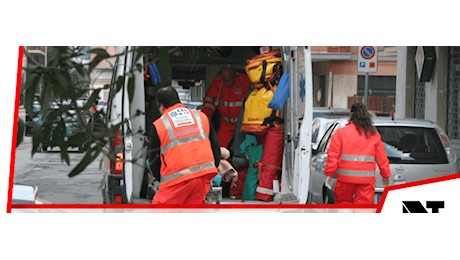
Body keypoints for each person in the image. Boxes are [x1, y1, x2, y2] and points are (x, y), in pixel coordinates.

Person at [148, 86, 221, 204]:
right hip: (201, 179)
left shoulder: (160, 125)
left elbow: (153, 160)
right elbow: (215, 148)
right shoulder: (201, 117)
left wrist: (162, 180)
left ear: (161, 106)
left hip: (176, 181)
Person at [324, 102, 391, 204]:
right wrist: (385, 176)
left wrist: (329, 175)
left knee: (344, 203)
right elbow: (382, 158)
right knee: (363, 206)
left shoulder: (341, 133)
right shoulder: (374, 135)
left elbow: (333, 156)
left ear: (351, 115)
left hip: (345, 179)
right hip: (366, 181)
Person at [201, 65, 252, 148]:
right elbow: (209, 103)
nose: (227, 83)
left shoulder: (245, 80)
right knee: (219, 146)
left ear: (235, 75)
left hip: (240, 122)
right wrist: (203, 119)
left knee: (240, 146)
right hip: (225, 123)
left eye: (229, 80)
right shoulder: (218, 83)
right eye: (225, 80)